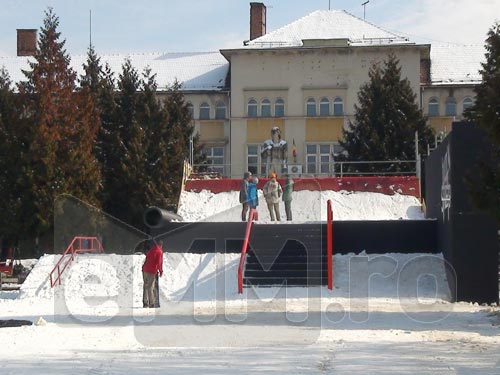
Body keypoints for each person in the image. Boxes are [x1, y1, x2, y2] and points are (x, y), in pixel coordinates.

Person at [142, 239, 164, 308]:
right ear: (161, 245)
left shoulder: (151, 250)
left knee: (145, 286)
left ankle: (145, 303)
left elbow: (146, 259)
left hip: (144, 270)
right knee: (150, 287)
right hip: (151, 271)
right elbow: (159, 263)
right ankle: (152, 303)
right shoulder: (159, 251)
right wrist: (161, 271)